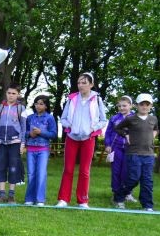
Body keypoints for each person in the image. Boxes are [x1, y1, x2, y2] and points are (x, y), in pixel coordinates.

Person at [56, 72, 107, 208]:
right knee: (68, 169)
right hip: (72, 138)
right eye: (79, 82)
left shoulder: (97, 99)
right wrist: (69, 126)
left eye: (84, 83)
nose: (80, 85)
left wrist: (92, 128)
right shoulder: (71, 98)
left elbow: (103, 120)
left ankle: (83, 201)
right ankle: (63, 199)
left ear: (91, 84)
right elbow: (63, 118)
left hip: (88, 138)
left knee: (84, 170)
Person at [113, 93, 158, 211]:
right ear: (137, 105)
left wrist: (153, 135)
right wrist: (126, 134)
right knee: (133, 178)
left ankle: (147, 205)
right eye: (142, 104)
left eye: (147, 104)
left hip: (149, 155)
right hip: (133, 154)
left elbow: (156, 129)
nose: (144, 107)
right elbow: (117, 128)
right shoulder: (130, 119)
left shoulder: (153, 119)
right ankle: (119, 198)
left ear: (151, 106)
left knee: (147, 181)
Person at [0, 83, 27, 204]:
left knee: (13, 168)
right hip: (1, 142)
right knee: (0, 167)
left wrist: (22, 143)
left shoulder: (21, 109)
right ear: (6, 93)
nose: (11, 95)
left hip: (15, 142)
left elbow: (24, 127)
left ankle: (11, 196)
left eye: (14, 93)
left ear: (18, 95)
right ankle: (1, 195)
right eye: (9, 93)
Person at [24, 95, 57, 205]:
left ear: (46, 106)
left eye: (41, 104)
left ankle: (40, 199)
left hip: (43, 150)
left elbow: (53, 134)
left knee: (41, 174)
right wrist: (30, 134)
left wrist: (40, 132)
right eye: (36, 103)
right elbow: (24, 133)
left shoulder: (50, 118)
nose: (38, 106)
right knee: (31, 174)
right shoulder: (30, 118)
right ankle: (29, 199)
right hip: (30, 149)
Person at [104, 96, 137, 204]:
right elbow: (108, 132)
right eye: (119, 106)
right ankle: (116, 193)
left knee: (127, 172)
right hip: (116, 148)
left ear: (131, 106)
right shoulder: (114, 118)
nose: (122, 108)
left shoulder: (136, 118)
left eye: (124, 105)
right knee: (116, 171)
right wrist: (108, 144)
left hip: (130, 149)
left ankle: (128, 193)